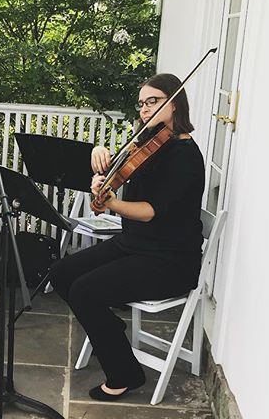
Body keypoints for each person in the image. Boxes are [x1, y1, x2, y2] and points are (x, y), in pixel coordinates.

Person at [50, 73, 205, 401]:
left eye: (153, 101)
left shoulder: (185, 156)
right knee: (61, 273)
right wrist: (101, 165)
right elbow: (119, 173)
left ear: (174, 103)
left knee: (85, 291)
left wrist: (113, 203)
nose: (145, 109)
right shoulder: (150, 144)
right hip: (135, 244)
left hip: (170, 259)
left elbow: (151, 210)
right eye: (142, 104)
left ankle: (125, 374)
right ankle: (109, 330)